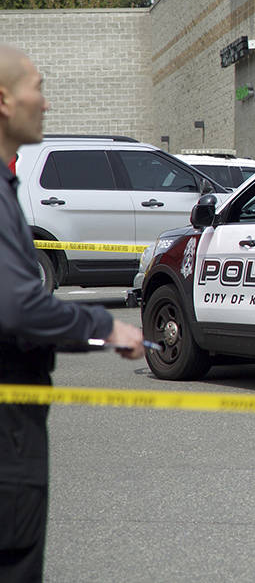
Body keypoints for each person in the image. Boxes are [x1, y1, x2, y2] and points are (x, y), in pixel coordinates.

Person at [0, 44, 145, 581]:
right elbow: (16, 307)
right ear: (4, 101)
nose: (46, 102)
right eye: (36, 87)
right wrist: (103, 325)